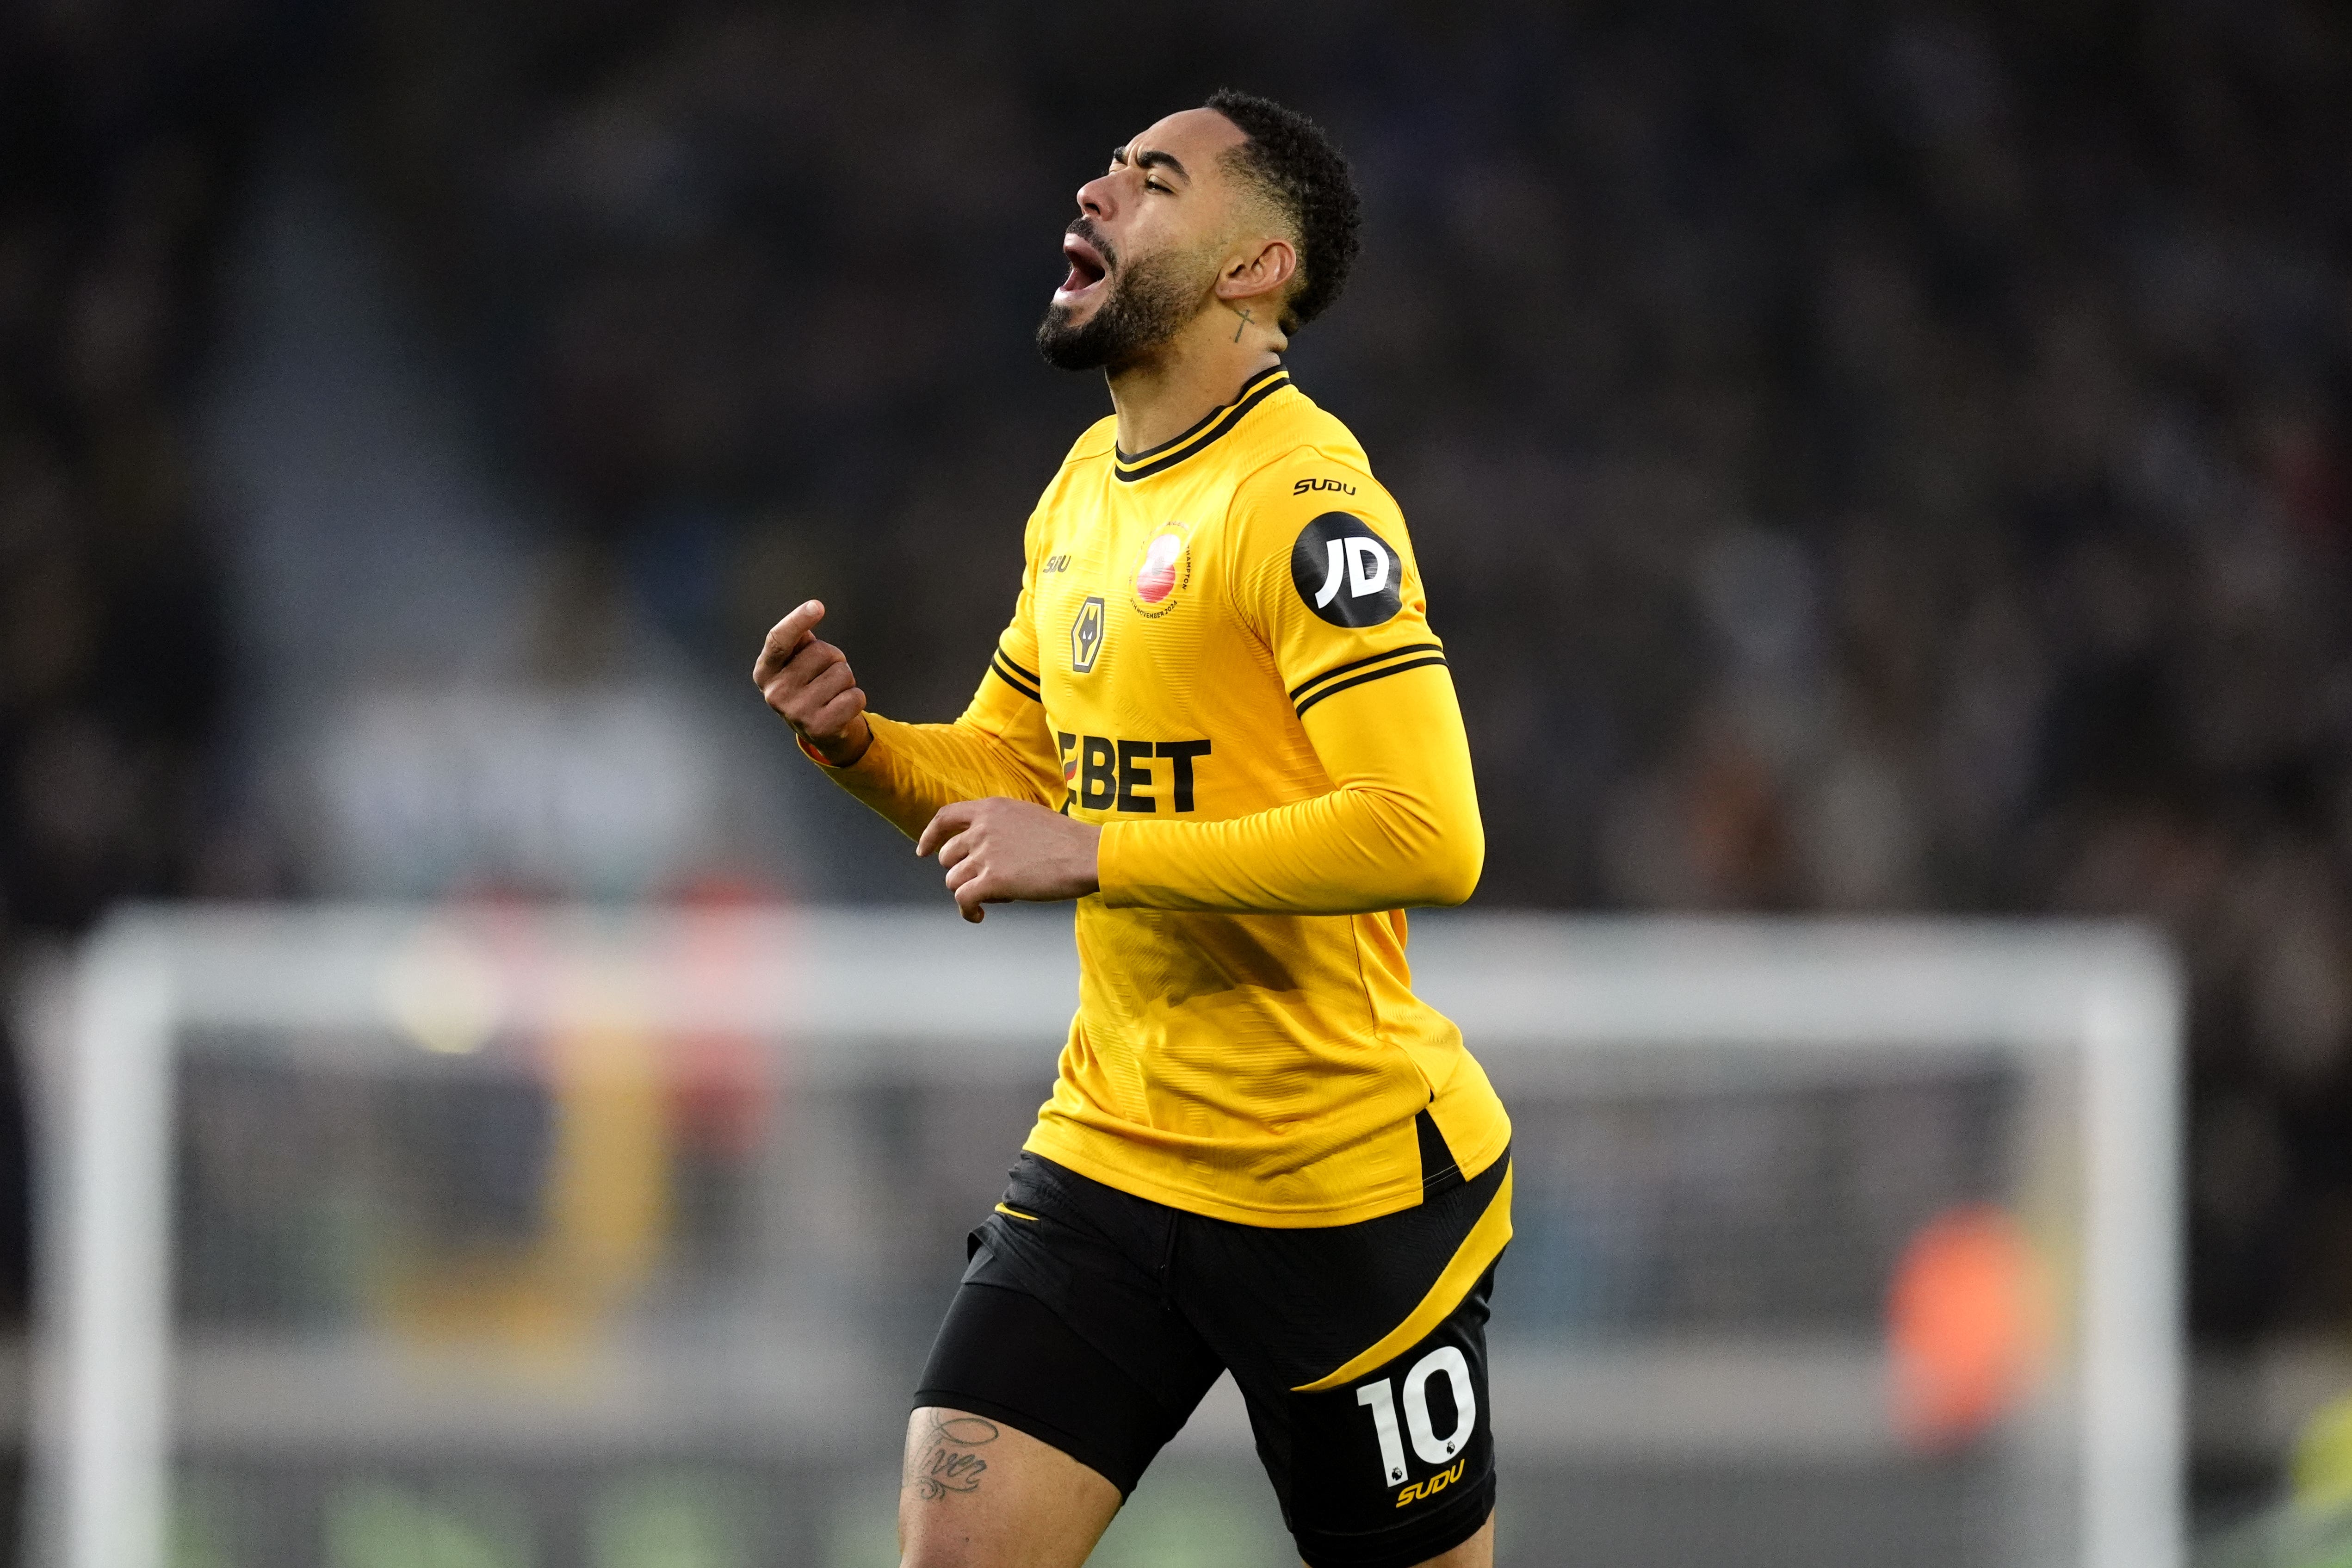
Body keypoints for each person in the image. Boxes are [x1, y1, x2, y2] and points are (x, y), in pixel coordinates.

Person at [755, 89, 1509, 1568]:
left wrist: (1097, 851)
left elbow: (1431, 833)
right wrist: (857, 745)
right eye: (1101, 172)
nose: (1097, 194)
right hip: (1114, 1151)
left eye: (1152, 181)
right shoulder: (1085, 493)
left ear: (1252, 269)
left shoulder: (1304, 505)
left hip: (1335, 1184)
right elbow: (1002, 766)